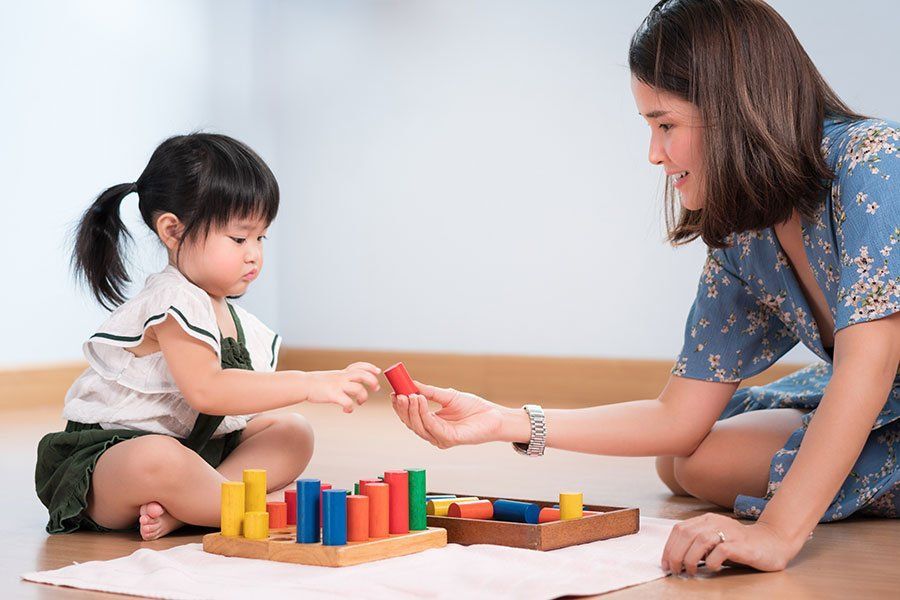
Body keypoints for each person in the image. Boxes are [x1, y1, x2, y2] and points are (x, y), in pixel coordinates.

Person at [391, 0, 899, 574]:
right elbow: (677, 416)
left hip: (876, 384)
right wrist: (503, 420)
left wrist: (779, 531)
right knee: (681, 458)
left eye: (665, 125)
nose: (654, 154)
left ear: (734, 110)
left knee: (706, 463)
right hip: (869, 391)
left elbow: (870, 365)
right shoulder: (744, 232)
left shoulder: (874, 162)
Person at [35, 133, 380, 540]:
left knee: (293, 432)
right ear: (172, 231)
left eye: (261, 237)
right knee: (158, 456)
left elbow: (235, 410)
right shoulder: (172, 300)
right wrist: (308, 383)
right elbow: (208, 391)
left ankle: (191, 509)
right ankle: (221, 505)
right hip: (109, 464)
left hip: (194, 454)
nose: (254, 254)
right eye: (238, 238)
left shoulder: (233, 316)